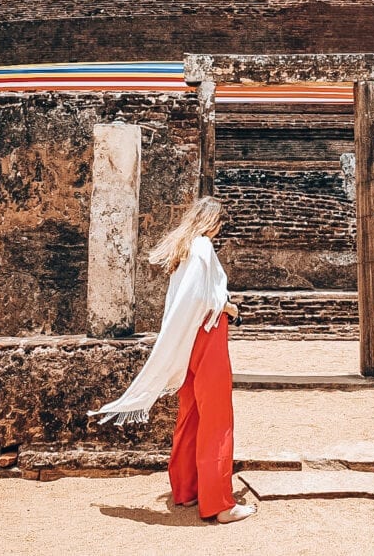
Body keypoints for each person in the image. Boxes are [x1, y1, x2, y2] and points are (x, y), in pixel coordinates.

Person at [88, 196, 256, 524]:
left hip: (189, 342)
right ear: (212, 221)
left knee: (191, 413)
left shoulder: (184, 250)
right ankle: (219, 504)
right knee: (217, 418)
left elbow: (180, 301)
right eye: (221, 223)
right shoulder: (203, 247)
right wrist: (227, 307)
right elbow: (199, 297)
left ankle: (186, 489)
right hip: (208, 337)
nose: (221, 229)